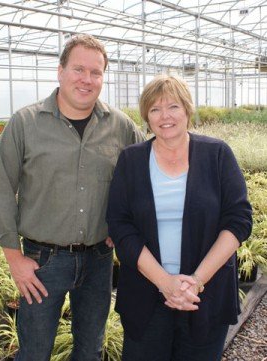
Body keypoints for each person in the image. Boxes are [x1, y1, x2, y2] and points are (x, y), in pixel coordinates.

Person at [0, 34, 144, 361]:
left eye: (96, 72)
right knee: (35, 351)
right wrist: (14, 259)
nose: (87, 80)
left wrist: (126, 224)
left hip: (100, 260)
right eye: (78, 69)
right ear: (60, 71)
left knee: (90, 349)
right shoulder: (26, 123)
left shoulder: (120, 126)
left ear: (103, 77)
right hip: (43, 262)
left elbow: (145, 175)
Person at [106, 75, 252, 361]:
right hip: (146, 295)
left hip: (204, 295)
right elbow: (120, 225)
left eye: (173, 106)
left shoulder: (217, 154)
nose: (165, 116)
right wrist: (164, 282)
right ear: (147, 116)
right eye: (155, 109)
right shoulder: (131, 160)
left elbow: (238, 219)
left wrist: (195, 281)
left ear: (187, 110)